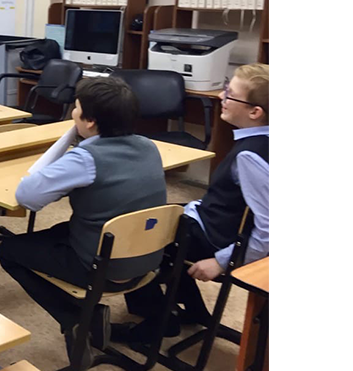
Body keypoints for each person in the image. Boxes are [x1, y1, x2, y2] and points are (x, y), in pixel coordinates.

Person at [0, 77, 167, 368]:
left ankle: (75, 319)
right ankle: (90, 316)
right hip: (148, 259)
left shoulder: (86, 159)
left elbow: (27, 197)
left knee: (9, 250)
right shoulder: (148, 146)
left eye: (76, 108)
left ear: (90, 121)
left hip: (103, 267)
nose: (72, 113)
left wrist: (68, 143)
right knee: (57, 232)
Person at [114, 63, 270, 344]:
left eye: (230, 94)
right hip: (211, 220)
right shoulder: (262, 141)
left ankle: (157, 323)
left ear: (254, 112)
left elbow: (269, 228)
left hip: (213, 239)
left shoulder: (250, 156)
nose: (221, 97)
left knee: (131, 233)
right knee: (152, 214)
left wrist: (222, 262)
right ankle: (194, 310)